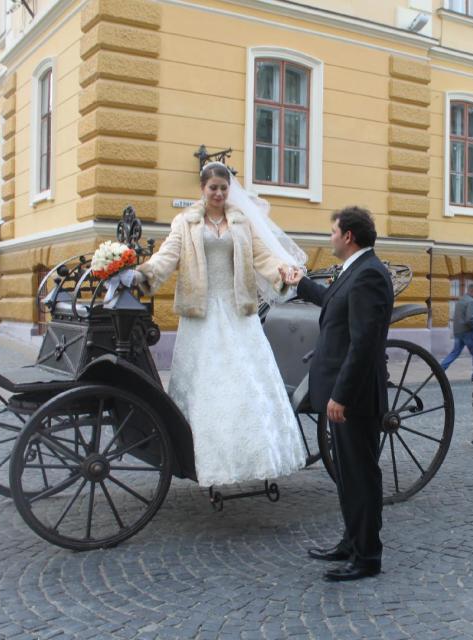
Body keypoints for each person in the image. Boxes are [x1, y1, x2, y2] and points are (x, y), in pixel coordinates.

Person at [133, 162, 307, 487]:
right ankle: (201, 461)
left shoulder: (241, 222)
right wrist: (147, 273)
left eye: (223, 188)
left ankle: (256, 457)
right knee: (207, 386)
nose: (218, 193)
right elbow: (168, 255)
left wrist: (282, 271)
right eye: (213, 188)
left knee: (246, 382)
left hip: (238, 310)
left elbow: (262, 256)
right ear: (202, 189)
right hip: (201, 314)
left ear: (229, 190)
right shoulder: (185, 222)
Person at [281, 206, 394, 582]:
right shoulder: (356, 271)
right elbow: (333, 301)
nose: (329, 238)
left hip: (355, 399)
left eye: (332, 232)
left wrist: (341, 396)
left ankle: (367, 557)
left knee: (361, 475)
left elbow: (363, 345)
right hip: (343, 393)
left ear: (348, 237)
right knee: (347, 476)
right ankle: (351, 542)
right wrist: (300, 283)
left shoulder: (370, 276)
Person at [440, 282, 473, 380]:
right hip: (468, 331)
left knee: (455, 352)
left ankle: (441, 368)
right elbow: (469, 319)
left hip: (458, 331)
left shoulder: (461, 300)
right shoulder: (471, 301)